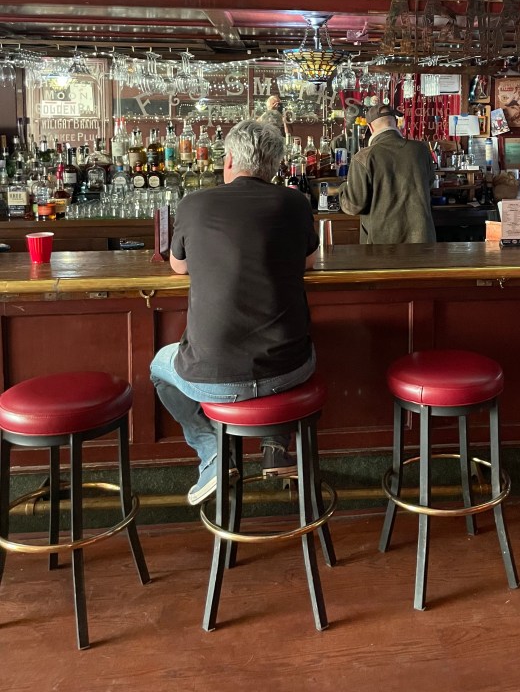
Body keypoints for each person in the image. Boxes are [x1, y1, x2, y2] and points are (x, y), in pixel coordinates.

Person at [149, 120, 319, 506]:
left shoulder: (196, 203)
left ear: (227, 161)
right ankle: (276, 443)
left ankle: (212, 452)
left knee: (160, 367)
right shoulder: (294, 202)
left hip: (213, 378)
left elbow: (179, 267)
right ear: (275, 166)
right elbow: (308, 261)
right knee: (291, 345)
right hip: (290, 371)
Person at [340, 103, 436, 244]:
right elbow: (429, 184)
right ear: (396, 123)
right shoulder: (421, 150)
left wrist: (342, 189)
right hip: (422, 240)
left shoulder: (363, 157)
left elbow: (354, 206)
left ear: (370, 127)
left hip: (382, 245)